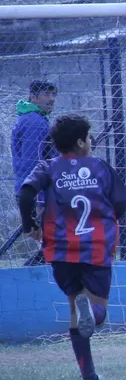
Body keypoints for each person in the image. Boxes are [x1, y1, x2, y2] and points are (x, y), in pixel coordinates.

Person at [18, 114, 126, 380]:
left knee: (75, 311)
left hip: (60, 249)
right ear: (81, 142)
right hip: (95, 246)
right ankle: (91, 312)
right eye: (89, 138)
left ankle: (89, 378)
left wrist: (30, 225)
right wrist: (106, 219)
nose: (91, 142)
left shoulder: (49, 167)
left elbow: (26, 193)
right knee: (97, 314)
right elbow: (121, 201)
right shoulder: (100, 167)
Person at [11, 81, 58, 266]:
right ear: (33, 96)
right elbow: (33, 164)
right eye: (47, 94)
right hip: (36, 193)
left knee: (50, 245)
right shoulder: (35, 123)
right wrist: (40, 200)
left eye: (54, 95)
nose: (51, 99)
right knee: (52, 244)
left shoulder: (31, 118)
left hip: (32, 190)